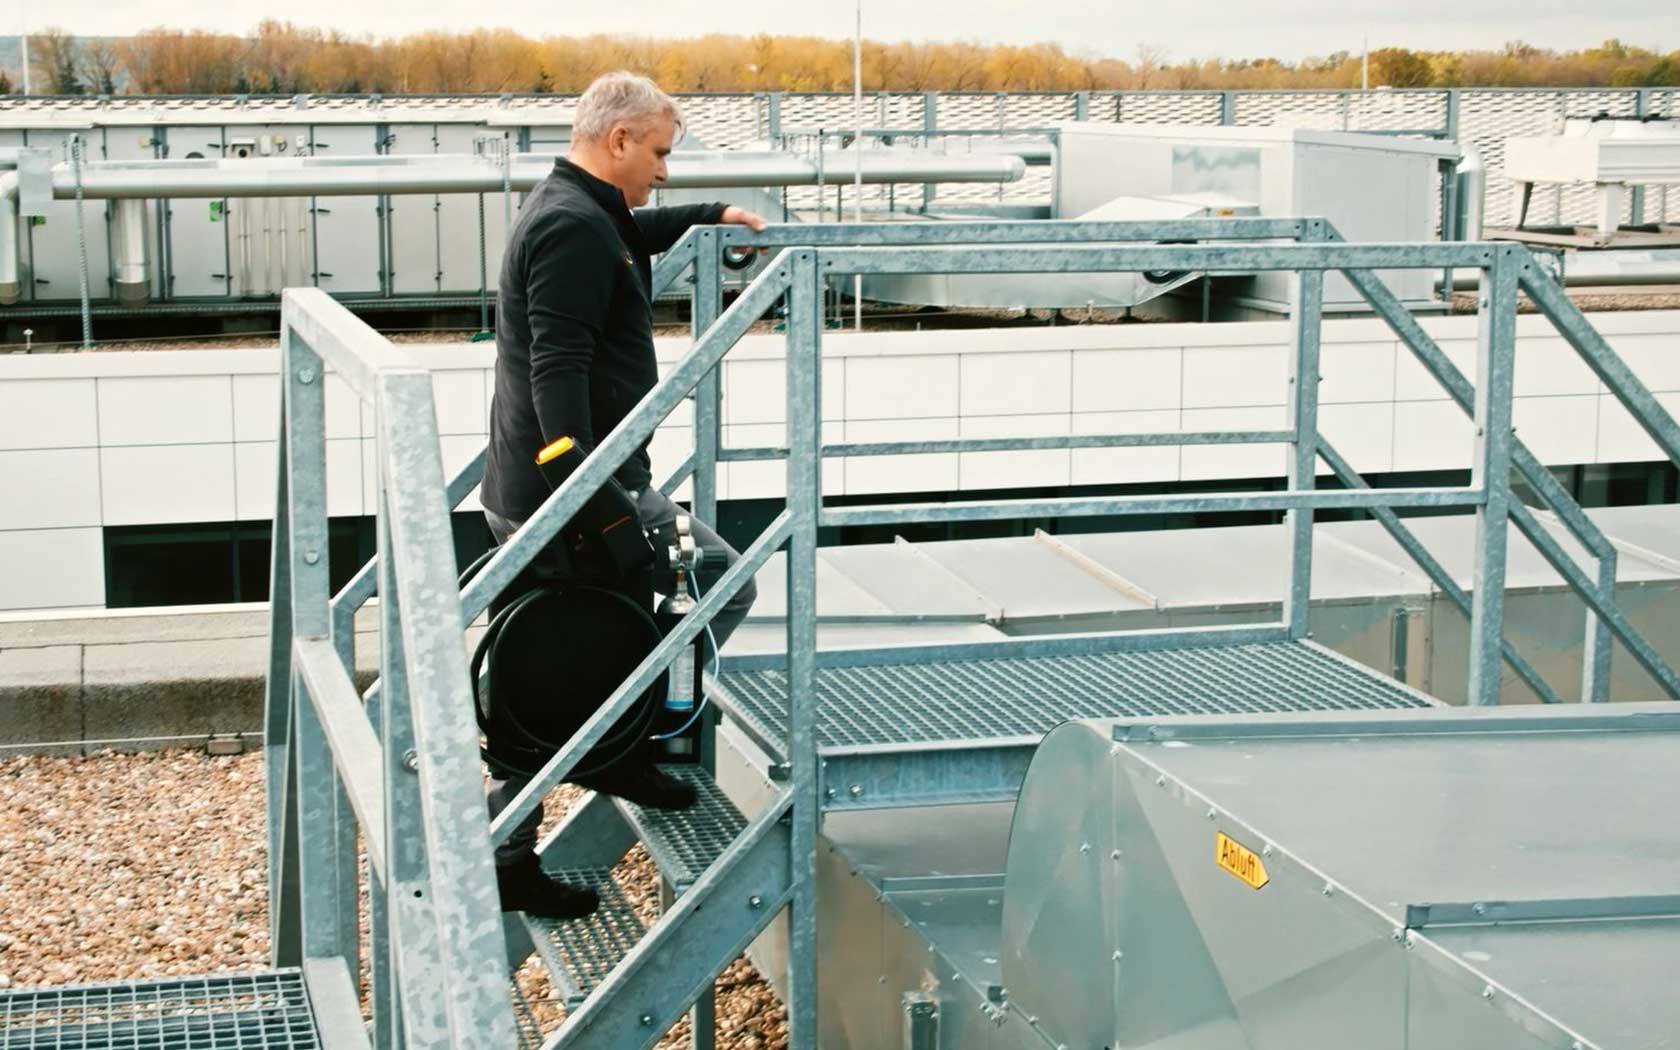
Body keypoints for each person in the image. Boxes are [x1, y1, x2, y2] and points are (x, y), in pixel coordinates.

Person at [480, 72, 765, 920]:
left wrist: (706, 219)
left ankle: (610, 750)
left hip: (568, 485)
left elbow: (626, 233)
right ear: (619, 142)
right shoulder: (571, 227)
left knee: (573, 660)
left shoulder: (575, 209)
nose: (665, 173)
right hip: (568, 495)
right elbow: (556, 368)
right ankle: (536, 822)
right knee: (570, 665)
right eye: (661, 154)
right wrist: (588, 505)